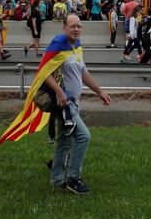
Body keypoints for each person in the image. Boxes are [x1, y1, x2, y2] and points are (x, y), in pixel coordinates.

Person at [45, 15, 112, 194]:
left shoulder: (76, 46)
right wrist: (59, 92)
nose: (76, 29)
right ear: (64, 27)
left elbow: (83, 73)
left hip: (74, 102)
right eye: (73, 26)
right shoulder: (58, 45)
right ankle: (74, 179)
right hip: (64, 104)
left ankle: (57, 179)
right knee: (83, 136)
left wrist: (100, 92)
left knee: (65, 142)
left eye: (79, 26)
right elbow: (44, 72)